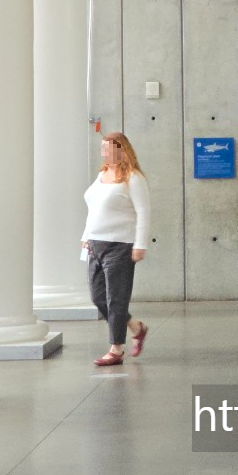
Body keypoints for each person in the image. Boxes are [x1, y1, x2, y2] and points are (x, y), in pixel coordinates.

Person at [81, 132, 151, 366]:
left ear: (122, 150)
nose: (104, 153)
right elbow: (93, 208)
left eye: (109, 148)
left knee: (116, 299)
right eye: (102, 148)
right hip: (95, 244)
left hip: (120, 246)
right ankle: (135, 327)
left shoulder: (133, 178)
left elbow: (143, 212)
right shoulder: (101, 175)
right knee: (98, 297)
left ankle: (116, 349)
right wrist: (85, 236)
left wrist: (140, 244)